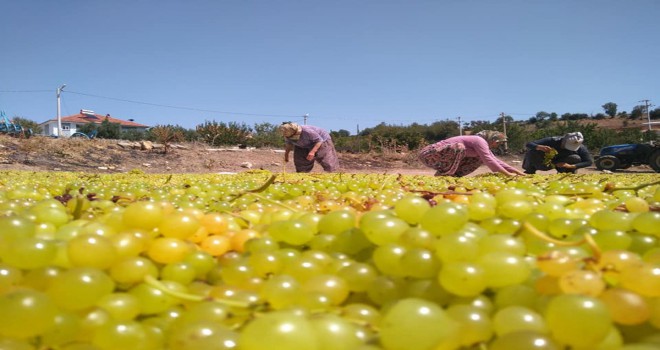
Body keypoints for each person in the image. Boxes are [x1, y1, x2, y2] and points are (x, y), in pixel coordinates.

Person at [418, 130, 526, 177]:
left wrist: (519, 173)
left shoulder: (482, 145)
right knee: (459, 147)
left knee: (480, 157)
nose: (497, 146)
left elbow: (496, 161)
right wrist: (507, 175)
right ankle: (444, 174)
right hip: (428, 154)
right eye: (498, 143)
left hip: (438, 159)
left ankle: (453, 175)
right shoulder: (479, 140)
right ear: (493, 140)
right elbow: (489, 161)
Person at [522, 132, 593, 174]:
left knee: (575, 158)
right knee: (532, 151)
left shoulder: (580, 148)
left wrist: (571, 166)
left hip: (561, 163)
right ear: (563, 140)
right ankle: (530, 170)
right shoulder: (552, 140)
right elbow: (529, 144)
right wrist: (539, 147)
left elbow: (588, 162)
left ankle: (566, 173)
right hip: (545, 162)